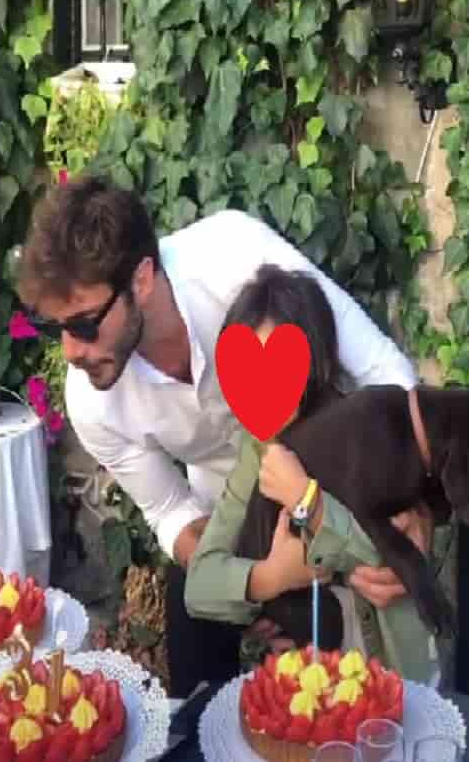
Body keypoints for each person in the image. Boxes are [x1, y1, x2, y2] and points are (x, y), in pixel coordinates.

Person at [16, 176, 428, 697]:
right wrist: (260, 581)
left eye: (83, 324)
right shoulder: (92, 401)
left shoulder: (235, 256)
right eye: (56, 328)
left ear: (141, 279)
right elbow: (171, 511)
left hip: (336, 477)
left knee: (369, 682)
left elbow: (385, 373)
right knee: (194, 638)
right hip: (227, 520)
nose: (71, 351)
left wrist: (412, 508)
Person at [184, 264, 438, 688]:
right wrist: (272, 577)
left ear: (314, 364)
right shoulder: (258, 451)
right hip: (307, 683)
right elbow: (200, 585)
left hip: (389, 679)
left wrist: (308, 501)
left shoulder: (365, 437)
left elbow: (385, 560)